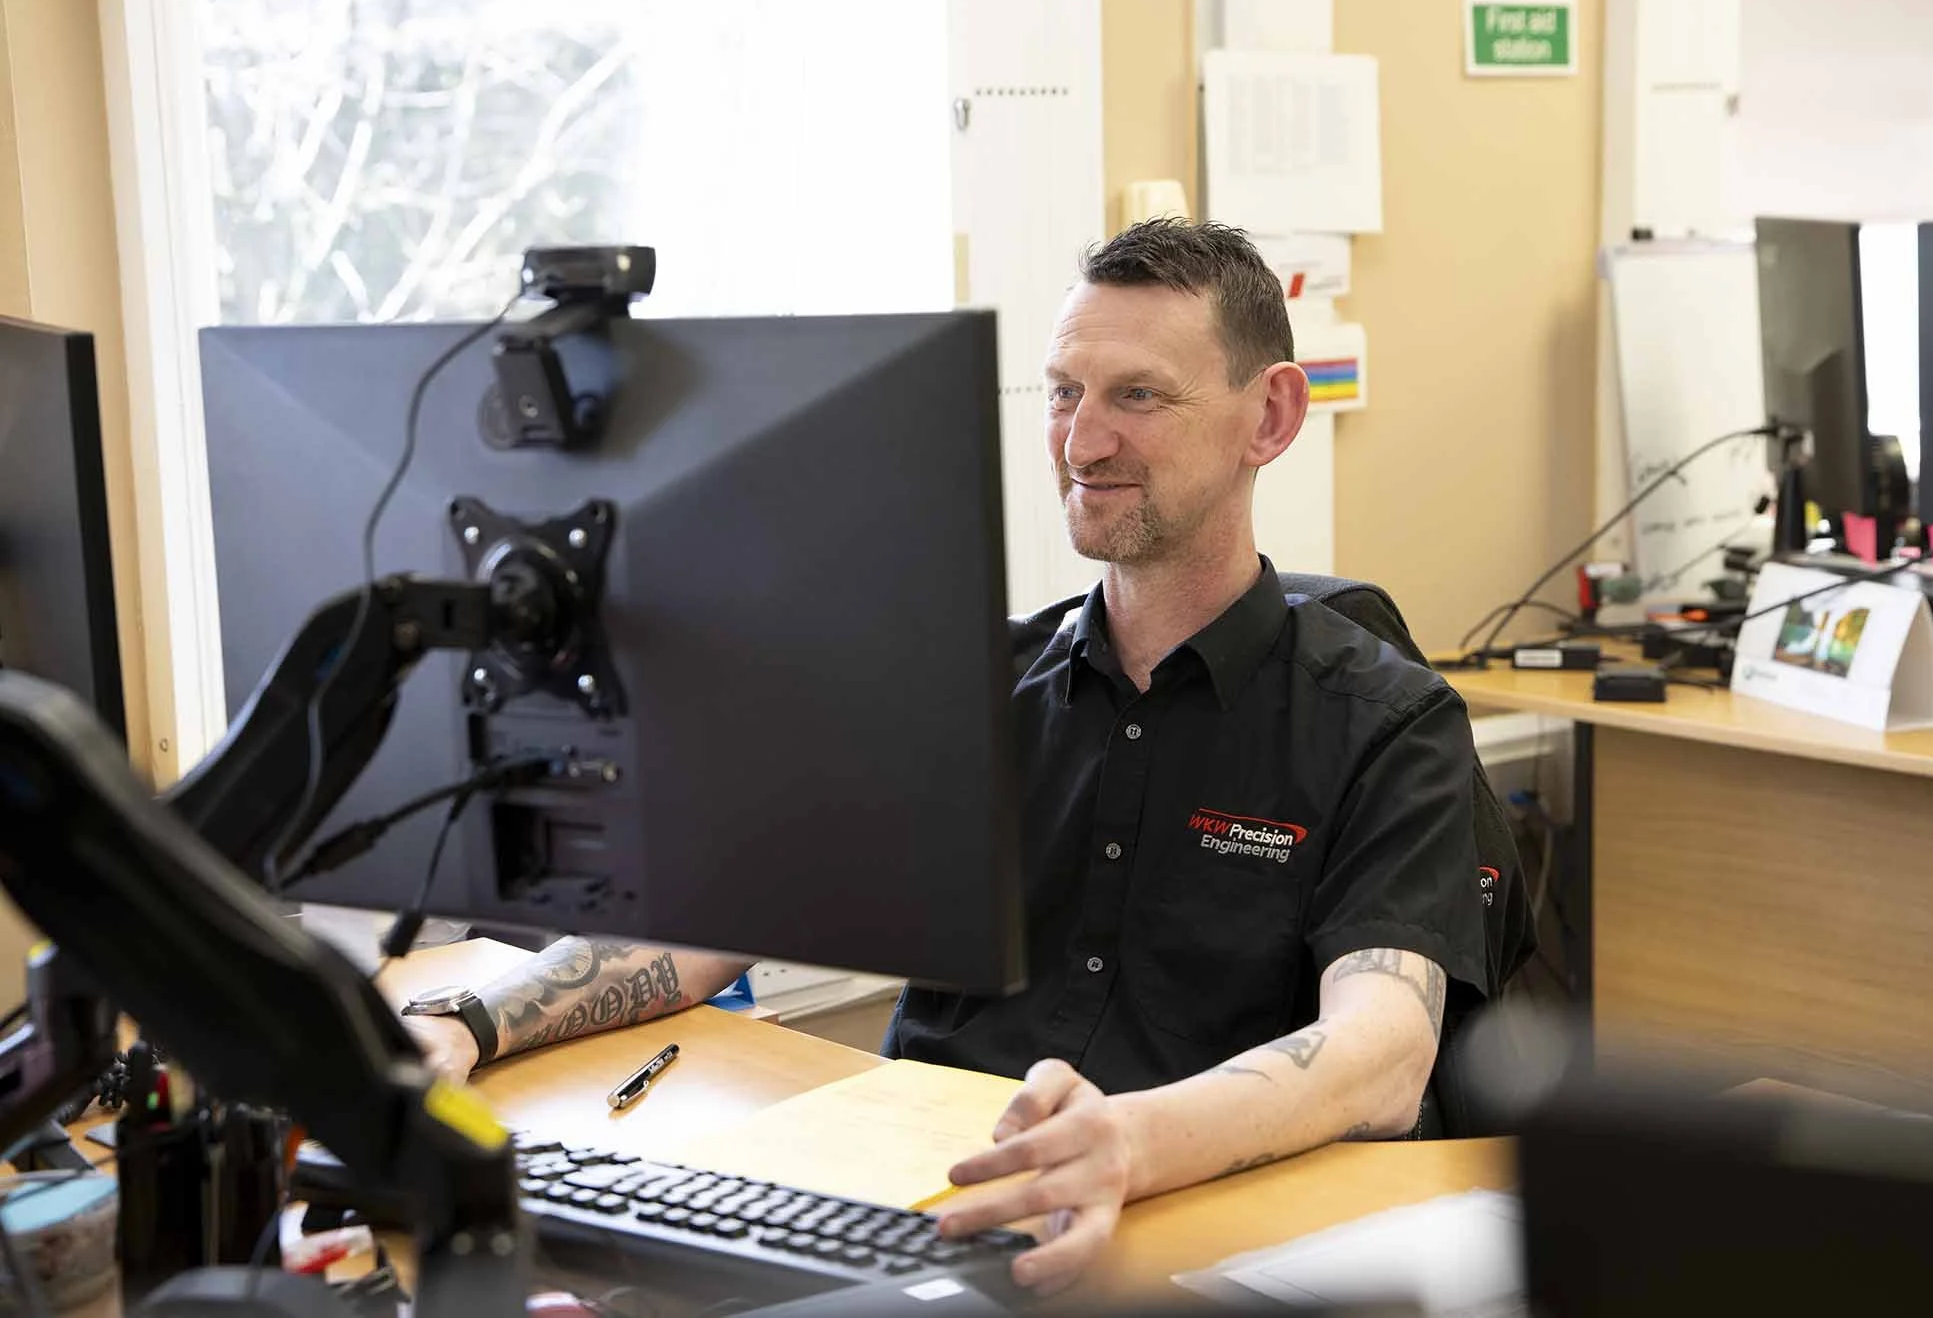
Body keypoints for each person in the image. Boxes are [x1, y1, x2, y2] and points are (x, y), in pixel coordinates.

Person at [403, 218, 1491, 1296]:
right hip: (923, 1208)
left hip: (1195, 1228)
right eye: (1064, 392)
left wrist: (1130, 1141)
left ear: (1271, 415)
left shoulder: (1385, 720)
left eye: (1138, 396)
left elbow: (1382, 1055)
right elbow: (714, 920)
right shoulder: (968, 688)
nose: (1081, 441)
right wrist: (470, 1022)